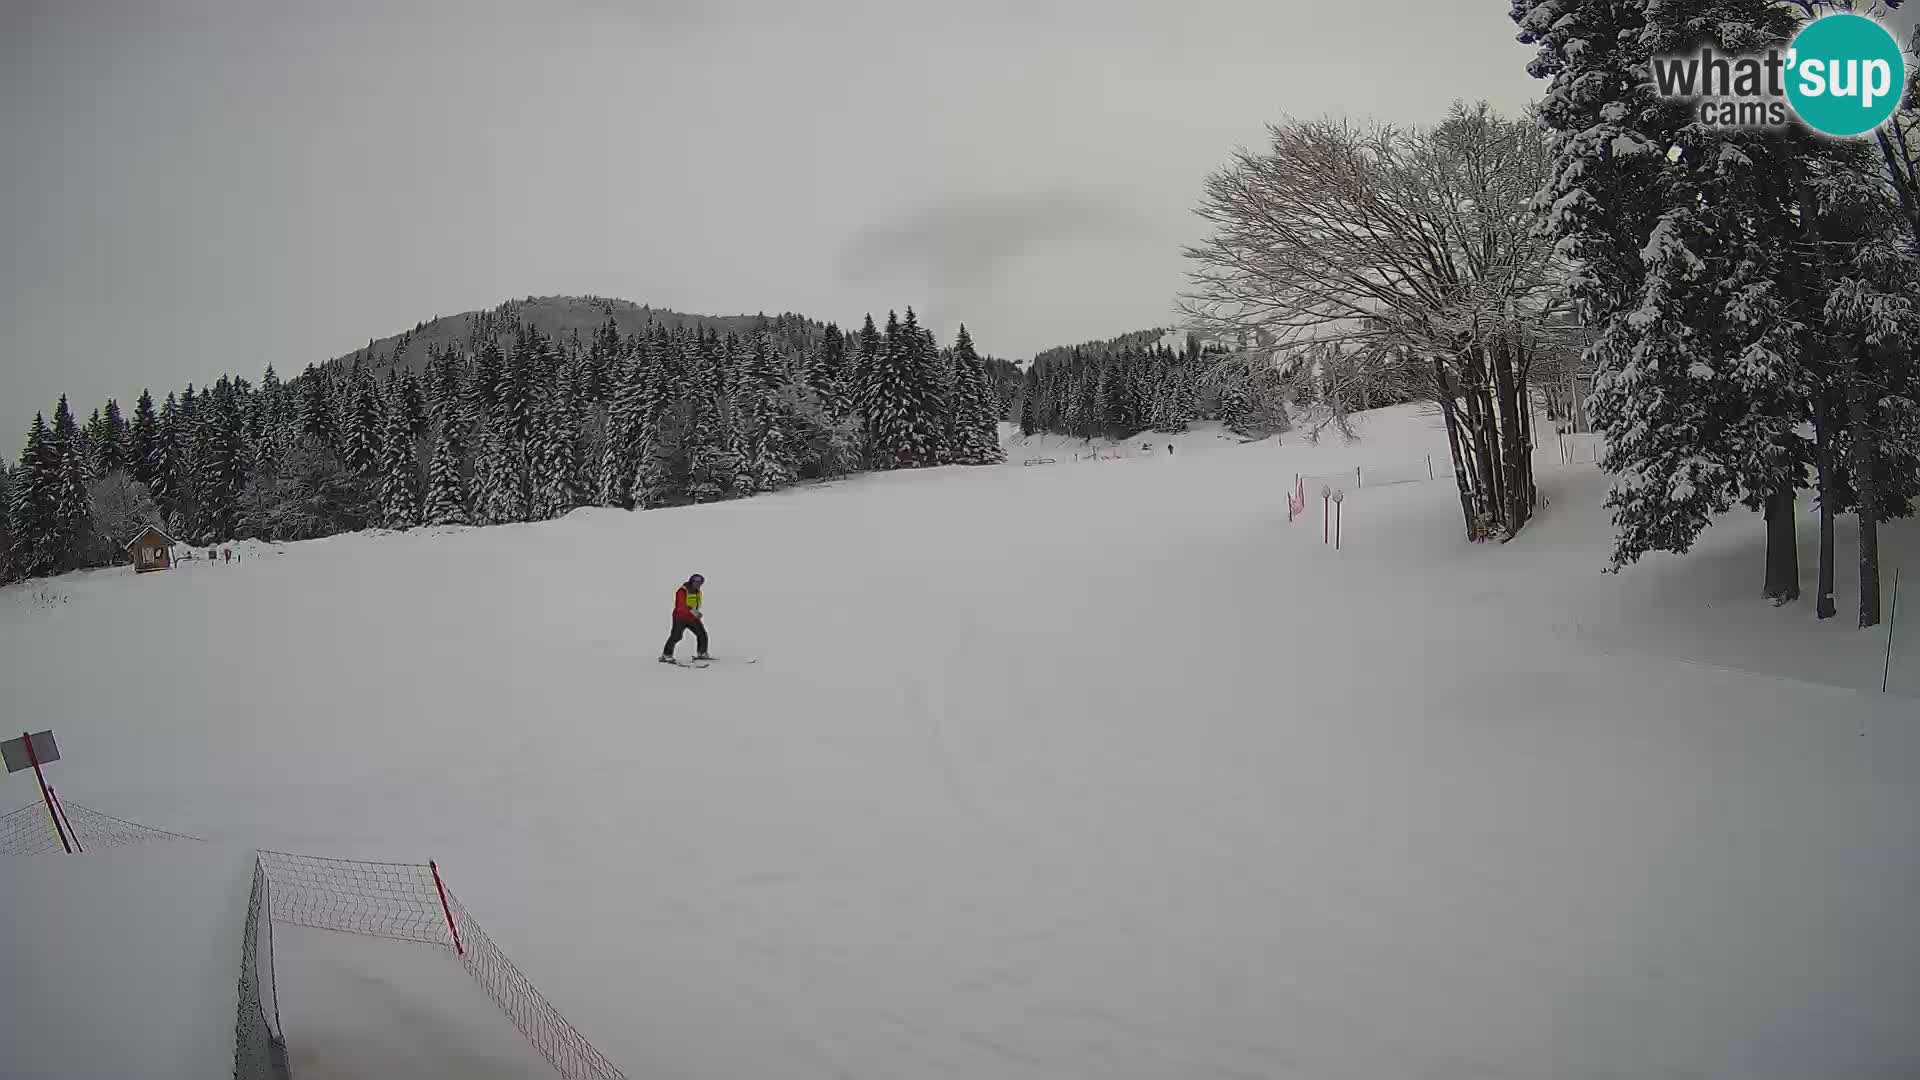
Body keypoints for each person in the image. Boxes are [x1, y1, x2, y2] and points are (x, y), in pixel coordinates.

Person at [659, 574, 709, 663]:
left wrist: (696, 613)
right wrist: (692, 611)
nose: (698, 584)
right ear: (691, 581)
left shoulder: (698, 592)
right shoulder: (682, 591)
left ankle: (702, 653)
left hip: (692, 619)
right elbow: (680, 606)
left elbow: (695, 604)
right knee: (676, 636)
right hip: (680, 618)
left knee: (702, 634)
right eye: (696, 582)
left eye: (700, 582)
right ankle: (666, 655)